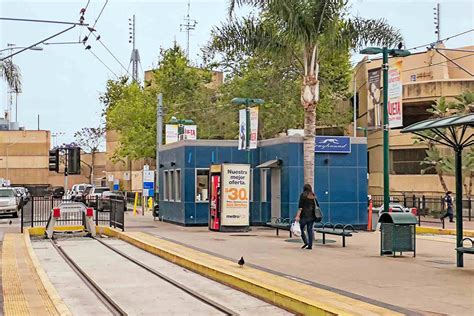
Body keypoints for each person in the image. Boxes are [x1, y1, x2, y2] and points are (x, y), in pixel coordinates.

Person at [295, 184, 318, 250]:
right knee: (310, 230)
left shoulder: (303, 195)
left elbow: (300, 207)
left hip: (304, 216)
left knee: (300, 228)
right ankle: (310, 245)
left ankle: (306, 242)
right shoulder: (313, 196)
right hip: (312, 216)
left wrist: (297, 216)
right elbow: (317, 205)